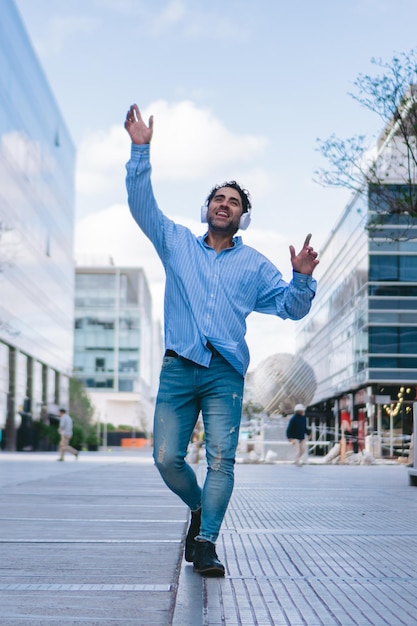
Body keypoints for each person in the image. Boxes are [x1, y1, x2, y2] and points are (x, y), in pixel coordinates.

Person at [124, 103, 319, 577]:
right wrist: (140, 151)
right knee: (167, 457)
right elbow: (141, 205)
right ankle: (197, 510)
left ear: (242, 217)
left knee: (221, 461)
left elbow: (291, 308)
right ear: (207, 208)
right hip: (177, 366)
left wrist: (302, 280)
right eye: (218, 198)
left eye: (233, 201)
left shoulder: (254, 265)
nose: (224, 204)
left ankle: (207, 540)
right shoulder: (175, 242)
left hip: (225, 373)